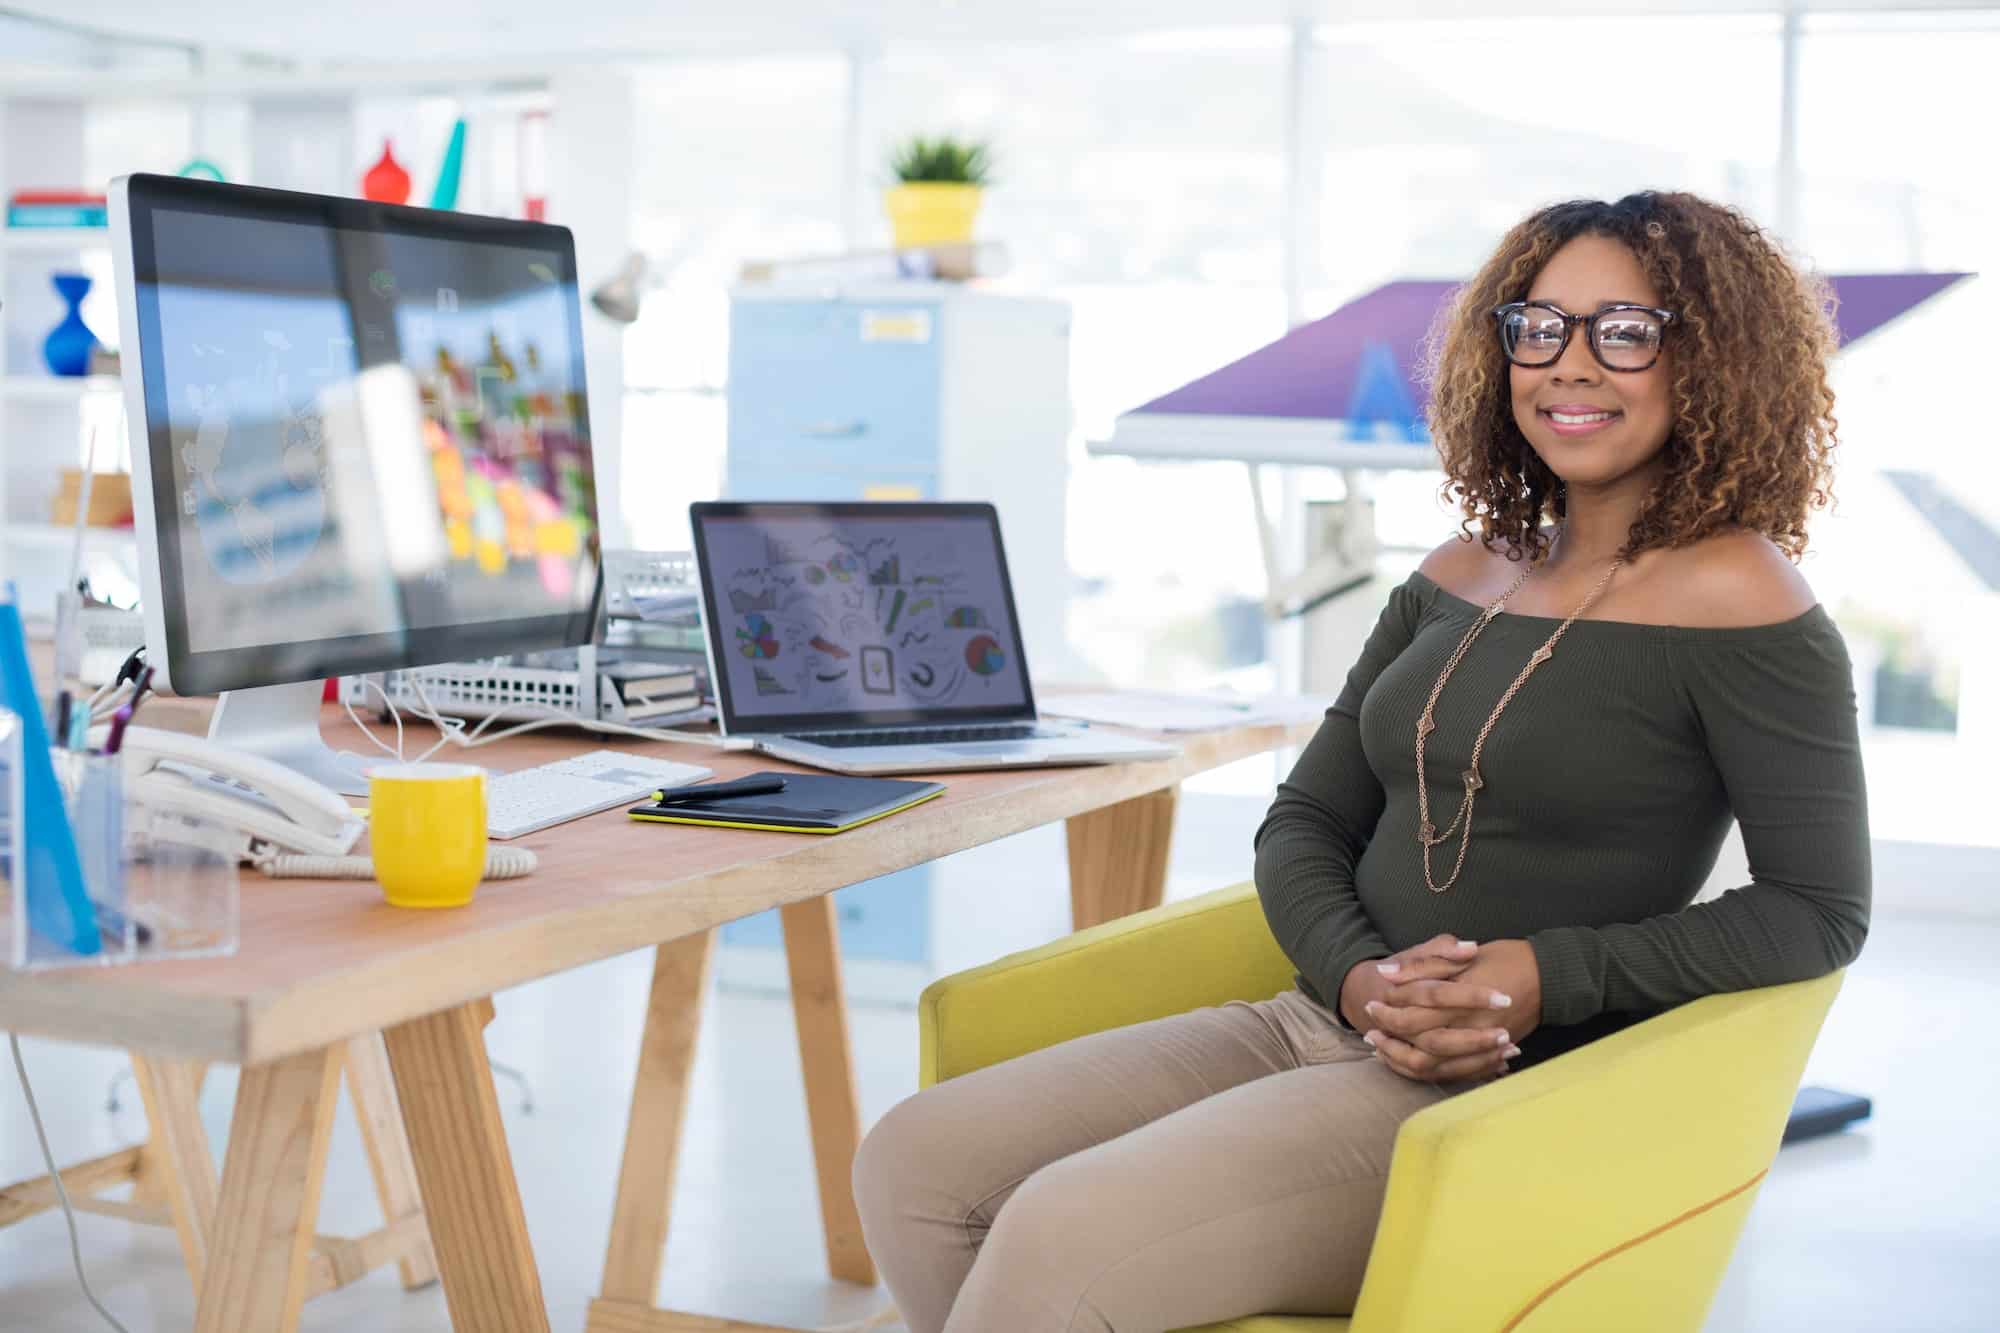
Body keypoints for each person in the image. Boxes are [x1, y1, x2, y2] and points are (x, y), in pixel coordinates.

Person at [850, 190, 1871, 1333]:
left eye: (1624, 330)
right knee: (916, 1160)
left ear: (1711, 359)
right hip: (1313, 1016)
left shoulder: (1744, 602)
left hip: (1497, 1092)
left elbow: (1814, 909)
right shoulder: (1460, 569)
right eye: (1538, 327)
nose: (1568, 365)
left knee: (1060, 1235)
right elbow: (1303, 821)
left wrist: (1542, 972)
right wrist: (1351, 975)